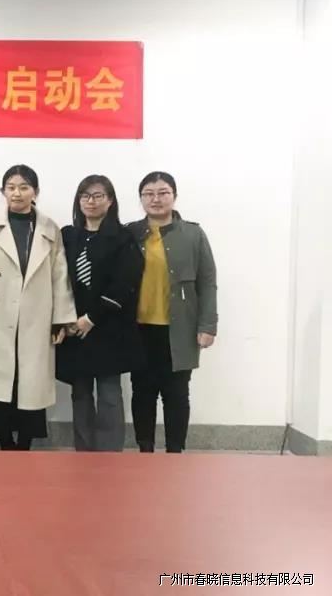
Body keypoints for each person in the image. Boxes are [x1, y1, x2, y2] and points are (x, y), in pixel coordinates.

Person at [0, 165, 76, 451]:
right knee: (2, 381)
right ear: (3, 191)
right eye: (10, 187)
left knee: (31, 382)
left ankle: (26, 443)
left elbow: (60, 274)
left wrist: (61, 319)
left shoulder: (49, 228)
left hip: (36, 314)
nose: (17, 193)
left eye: (24, 187)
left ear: (35, 192)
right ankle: (4, 441)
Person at [127, 171, 218, 453]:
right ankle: (145, 450)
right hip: (139, 328)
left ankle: (175, 452)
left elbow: (207, 281)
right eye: (148, 194)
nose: (156, 199)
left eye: (163, 192)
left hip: (179, 328)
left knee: (176, 393)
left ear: (174, 196)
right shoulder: (130, 233)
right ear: (141, 199)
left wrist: (207, 325)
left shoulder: (193, 234)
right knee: (142, 391)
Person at [56, 175, 144, 452]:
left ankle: (109, 453)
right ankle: (83, 451)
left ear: (110, 201)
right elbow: (58, 279)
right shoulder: (68, 236)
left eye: (98, 196)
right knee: (80, 392)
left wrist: (92, 318)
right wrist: (65, 319)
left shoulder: (123, 237)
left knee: (109, 394)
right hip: (74, 327)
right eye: (85, 196)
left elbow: (124, 282)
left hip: (109, 326)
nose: (91, 201)